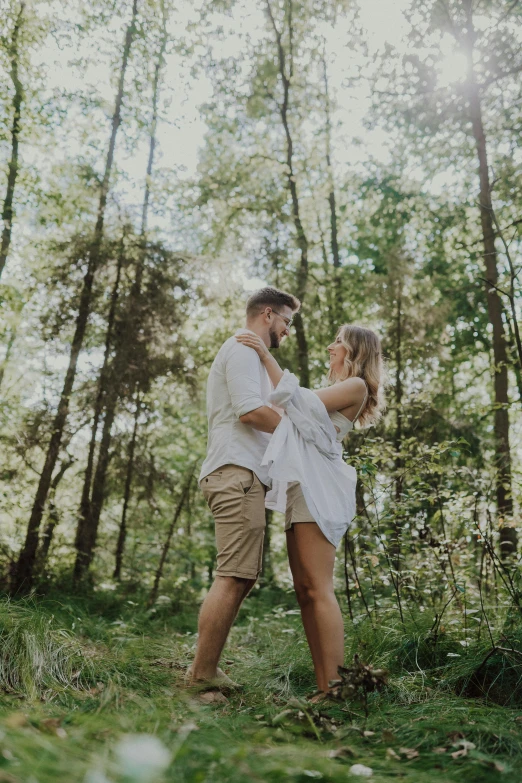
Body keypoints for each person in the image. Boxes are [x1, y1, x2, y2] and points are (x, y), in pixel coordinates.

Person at [236, 324, 385, 698]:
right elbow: (291, 411)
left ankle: (337, 689)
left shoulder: (356, 386)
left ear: (354, 351)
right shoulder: (339, 386)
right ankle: (325, 688)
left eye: (338, 341)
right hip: (301, 484)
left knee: (318, 588)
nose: (331, 346)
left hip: (319, 488)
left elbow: (297, 401)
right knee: (303, 589)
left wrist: (266, 355)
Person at [186, 287, 301, 692]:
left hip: (245, 474)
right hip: (234, 472)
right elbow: (251, 412)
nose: (288, 330)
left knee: (242, 575)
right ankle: (201, 675)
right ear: (268, 315)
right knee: (233, 574)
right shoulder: (241, 350)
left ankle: (206, 669)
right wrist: (299, 429)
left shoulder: (251, 356)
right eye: (287, 321)